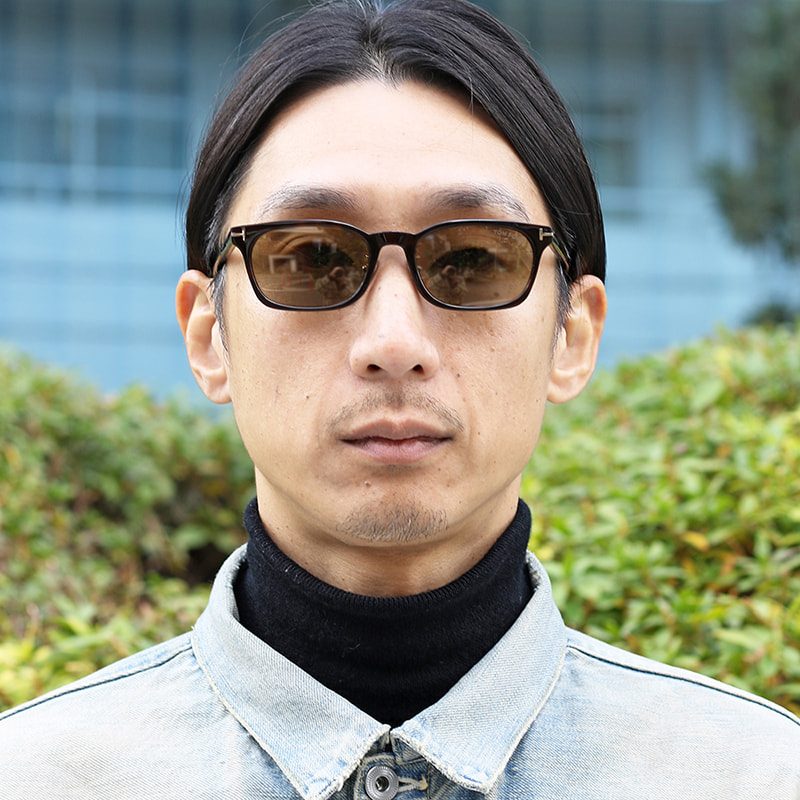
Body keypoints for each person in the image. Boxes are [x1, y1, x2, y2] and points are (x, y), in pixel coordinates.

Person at [1, 0, 797, 797]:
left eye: (474, 259)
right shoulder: (40, 777)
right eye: (310, 257)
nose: (393, 342)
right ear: (210, 335)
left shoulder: (750, 776)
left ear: (573, 333)